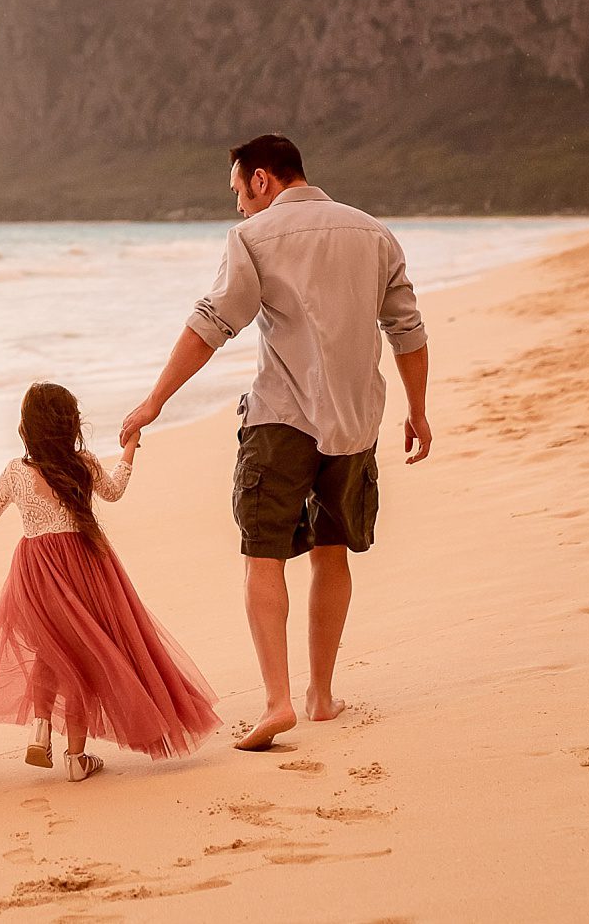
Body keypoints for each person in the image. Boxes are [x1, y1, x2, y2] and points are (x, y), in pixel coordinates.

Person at [119, 134, 431, 752]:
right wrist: (418, 410)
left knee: (263, 554)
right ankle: (320, 694)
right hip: (356, 419)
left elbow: (211, 324)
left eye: (238, 191)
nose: (238, 206)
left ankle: (278, 700)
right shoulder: (374, 234)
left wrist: (155, 400)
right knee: (332, 548)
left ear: (262, 179)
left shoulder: (253, 239)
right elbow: (406, 329)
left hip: (281, 417)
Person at [0, 382, 221, 782]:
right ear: (71, 424)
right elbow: (114, 491)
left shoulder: (16, 471)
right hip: (86, 567)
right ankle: (76, 759)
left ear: (26, 427)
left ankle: (41, 726)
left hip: (35, 571)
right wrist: (130, 449)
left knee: (51, 649)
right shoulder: (82, 463)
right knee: (82, 654)